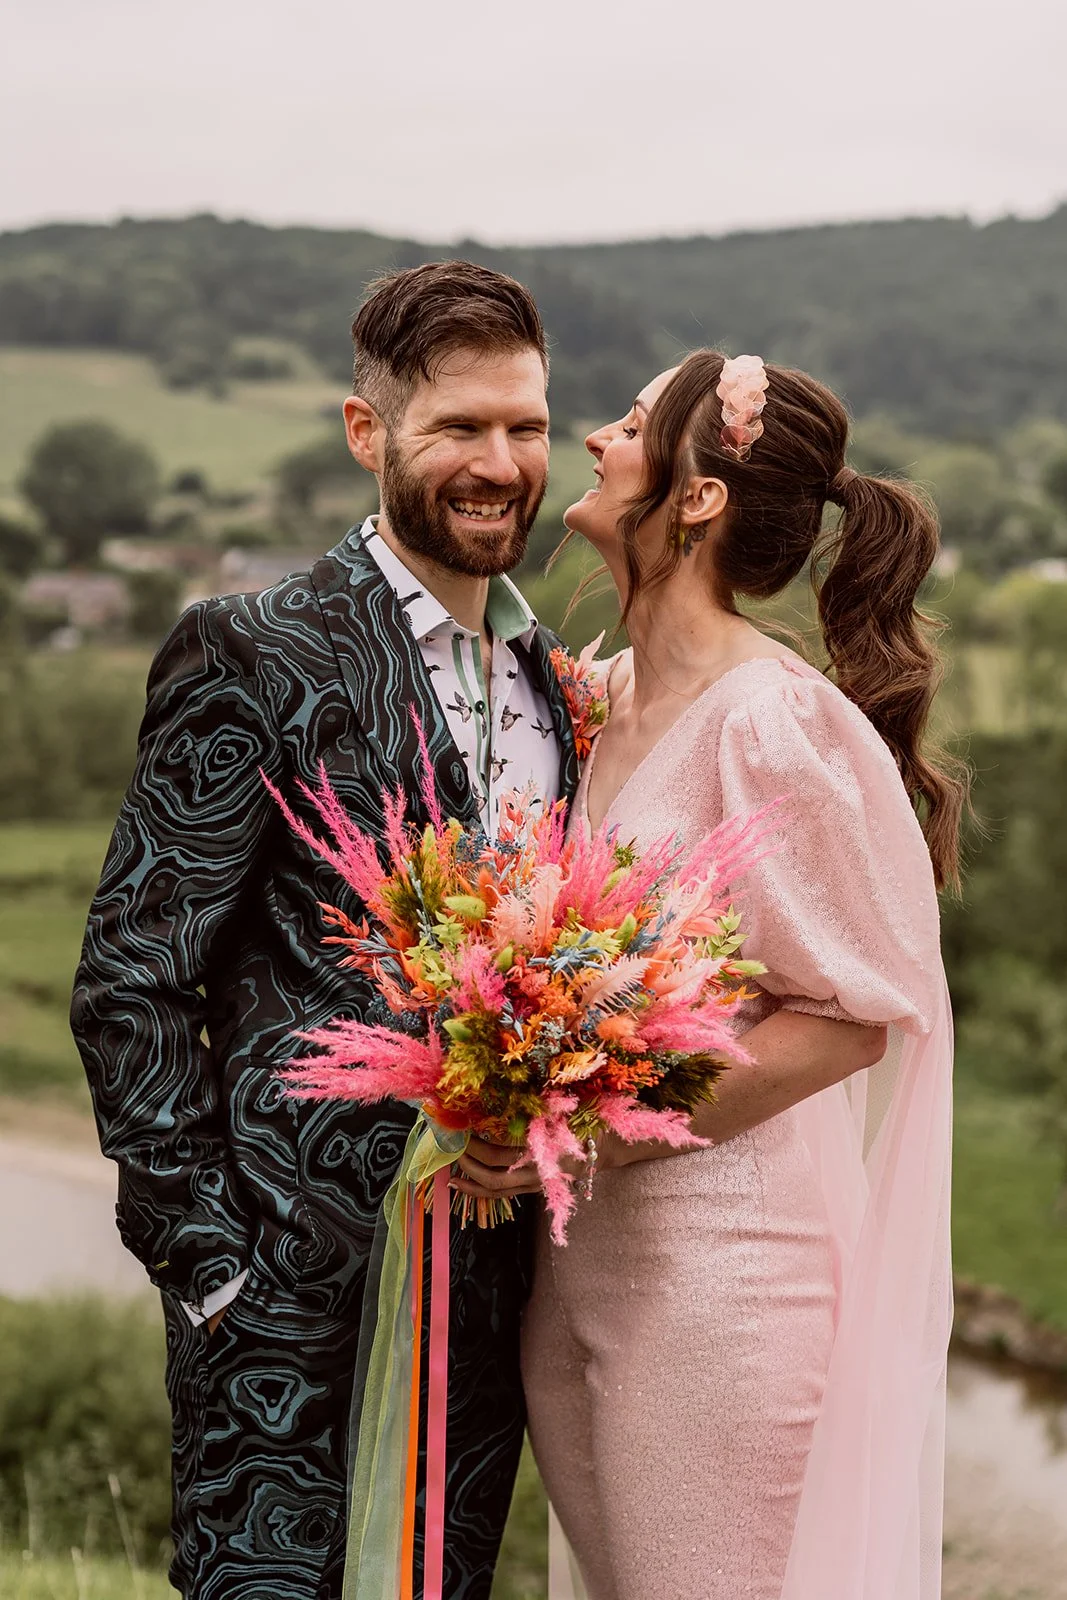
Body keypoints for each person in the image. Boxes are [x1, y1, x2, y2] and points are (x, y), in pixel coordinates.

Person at [70, 260, 578, 1600]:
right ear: (367, 434)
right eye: (456, 428)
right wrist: (215, 1270)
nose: (499, 461)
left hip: (491, 1311)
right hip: (285, 1315)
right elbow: (132, 977)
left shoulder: (557, 689)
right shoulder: (251, 649)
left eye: (523, 426)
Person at [456, 351, 962, 1599]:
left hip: (725, 1294)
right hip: (578, 1280)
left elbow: (852, 1017)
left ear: (696, 498)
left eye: (627, 424)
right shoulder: (597, 695)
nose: (590, 439)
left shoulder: (768, 722)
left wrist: (595, 1135)